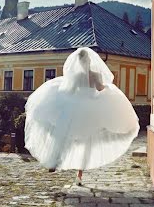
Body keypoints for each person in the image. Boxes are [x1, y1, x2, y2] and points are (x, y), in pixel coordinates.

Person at [24, 47, 140, 185]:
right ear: (90, 61)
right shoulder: (95, 75)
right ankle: (79, 175)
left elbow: (69, 91)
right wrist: (108, 89)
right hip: (90, 111)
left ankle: (54, 161)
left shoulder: (76, 76)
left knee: (64, 136)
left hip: (75, 110)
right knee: (86, 143)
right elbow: (100, 89)